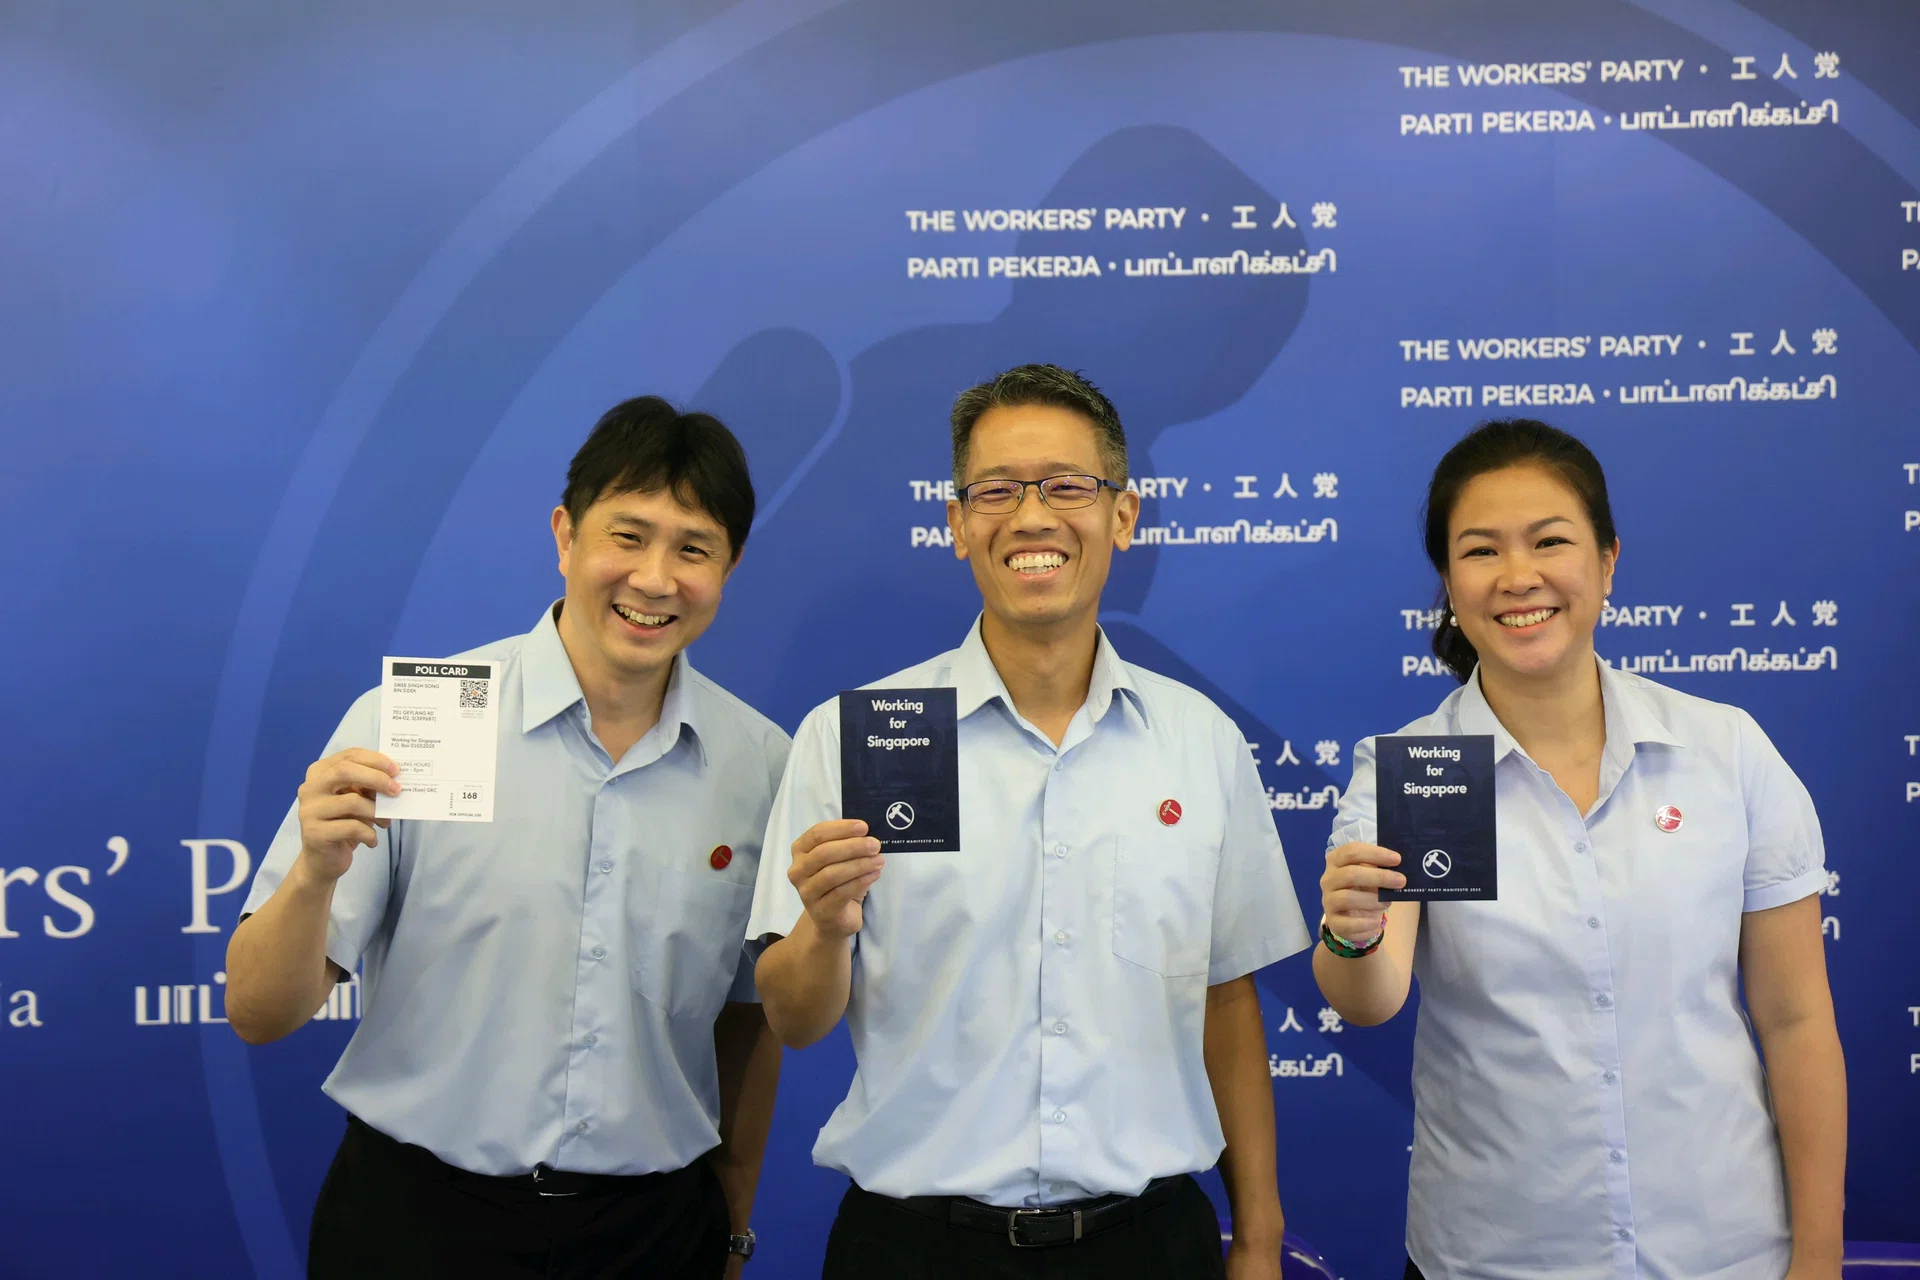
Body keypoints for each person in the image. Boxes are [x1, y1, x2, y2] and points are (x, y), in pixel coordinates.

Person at [748, 364, 1311, 1279]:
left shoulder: (1198, 741)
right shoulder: (851, 739)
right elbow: (793, 1017)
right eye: (997, 491)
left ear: (1122, 516)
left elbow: (1226, 999)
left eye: (1067, 486)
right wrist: (823, 926)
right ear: (957, 524)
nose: (1033, 516)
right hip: (915, 1249)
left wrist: (1256, 1237)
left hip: (1149, 1247)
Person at [226, 398, 787, 1279]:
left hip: (651, 1234)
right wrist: (311, 879)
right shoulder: (418, 723)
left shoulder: (762, 765)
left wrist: (734, 1226)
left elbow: (749, 1023)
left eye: (693, 548)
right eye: (627, 536)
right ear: (566, 536)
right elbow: (259, 1014)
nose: (654, 579)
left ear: (730, 566)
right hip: (415, 1224)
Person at [1315, 419, 1846, 1280]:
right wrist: (1353, 930)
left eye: (1550, 542)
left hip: (1722, 1249)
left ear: (1606, 562)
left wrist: (1818, 1256)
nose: (1519, 577)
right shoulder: (1421, 770)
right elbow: (1371, 1000)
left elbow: (1796, 1020)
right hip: (1497, 1257)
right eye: (1481, 551)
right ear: (1449, 583)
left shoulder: (1723, 750)